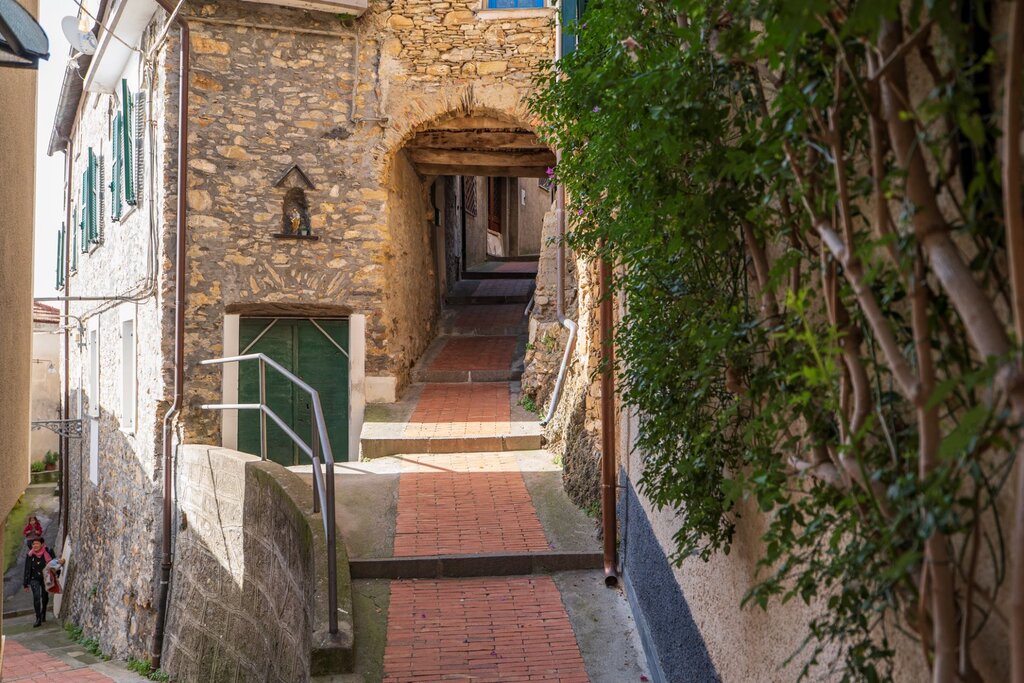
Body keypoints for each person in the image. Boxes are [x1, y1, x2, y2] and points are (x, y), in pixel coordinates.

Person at [23, 539, 58, 627]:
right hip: (34, 579)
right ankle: (38, 618)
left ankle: (43, 612)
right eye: (33, 544)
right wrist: (25, 583)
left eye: (37, 543)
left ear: (42, 544)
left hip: (45, 578)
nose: (35, 545)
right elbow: (27, 568)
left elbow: (55, 563)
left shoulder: (47, 552)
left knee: (44, 596)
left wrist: (57, 573)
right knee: (36, 597)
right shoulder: (30, 555)